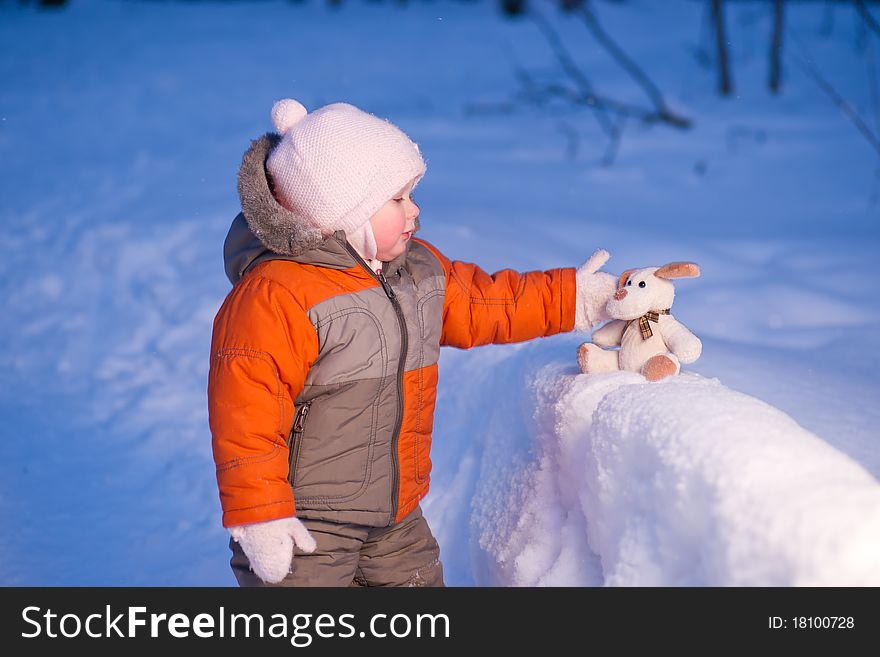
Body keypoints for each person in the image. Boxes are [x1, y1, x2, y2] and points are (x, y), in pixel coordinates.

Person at [208, 98, 616, 587]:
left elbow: (489, 302)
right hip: (305, 523)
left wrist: (575, 297)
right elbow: (245, 417)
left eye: (411, 194)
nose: (415, 211)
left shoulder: (415, 273)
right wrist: (261, 514)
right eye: (397, 199)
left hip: (396, 515)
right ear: (343, 211)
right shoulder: (277, 296)